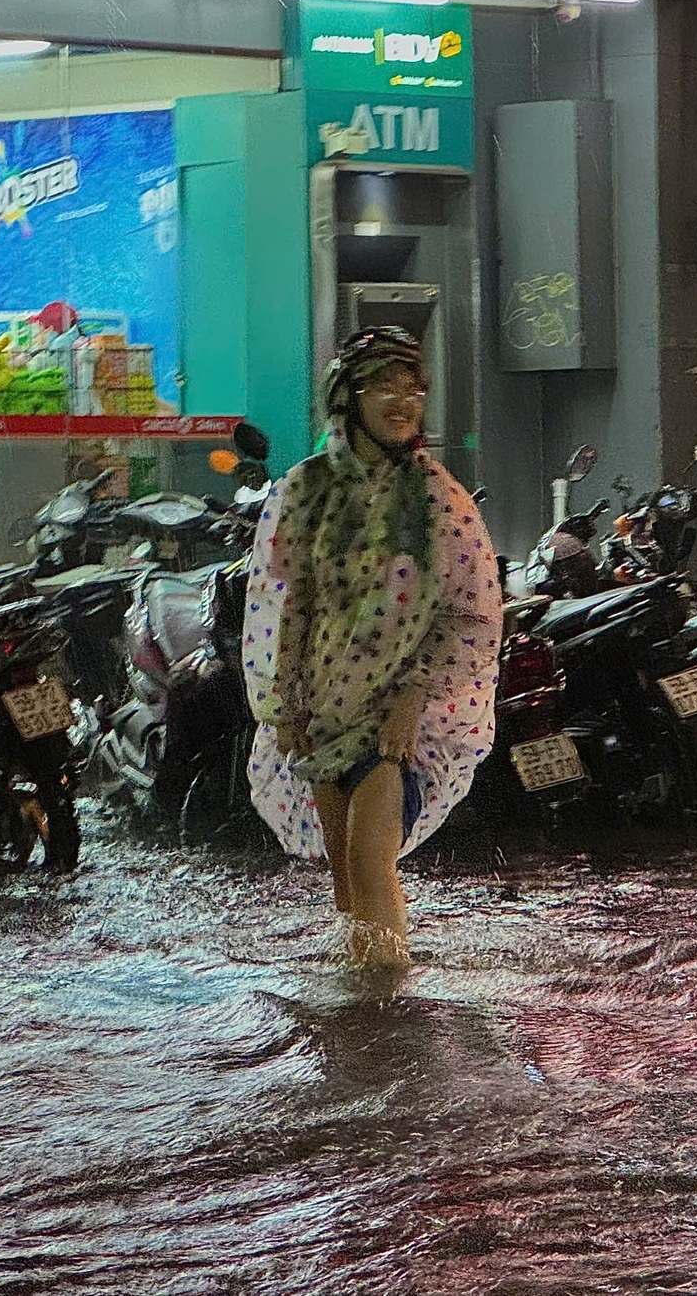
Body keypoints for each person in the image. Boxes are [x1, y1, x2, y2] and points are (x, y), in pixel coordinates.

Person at [242, 326, 500, 965]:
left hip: (399, 721)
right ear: (346, 396)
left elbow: (472, 615)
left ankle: (391, 1012)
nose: (402, 399)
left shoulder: (441, 499)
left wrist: (414, 696)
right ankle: (358, 1021)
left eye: (412, 387)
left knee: (368, 857)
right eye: (383, 384)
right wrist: (285, 705)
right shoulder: (304, 491)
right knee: (344, 877)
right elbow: (287, 604)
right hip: (327, 711)